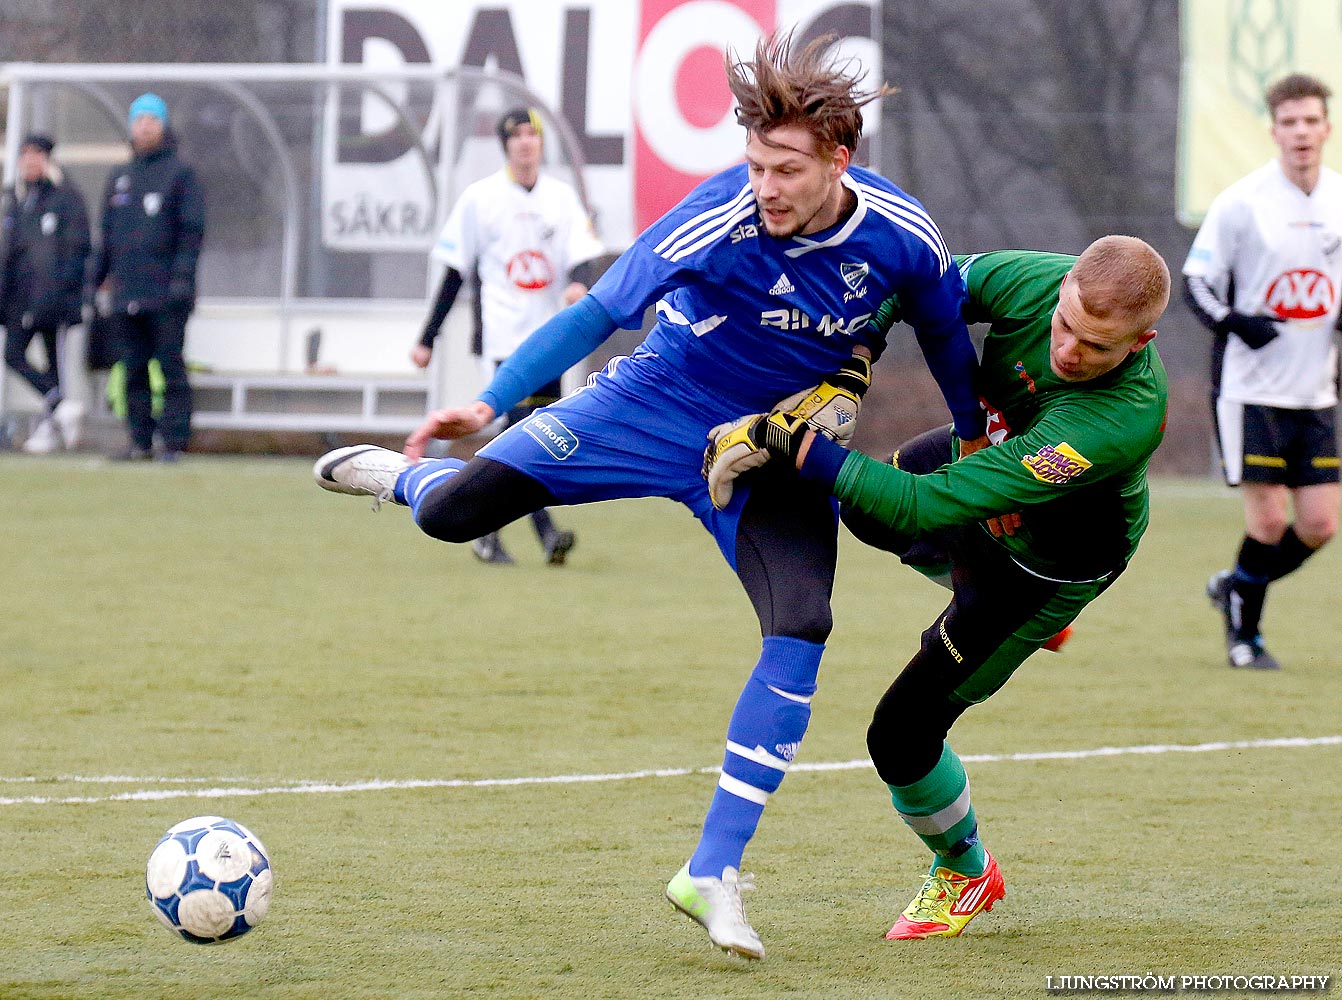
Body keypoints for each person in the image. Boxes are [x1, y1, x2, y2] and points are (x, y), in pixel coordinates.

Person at [313, 32, 985, 960]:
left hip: (766, 448)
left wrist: (980, 443)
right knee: (452, 515)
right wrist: (495, 397)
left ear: (840, 157)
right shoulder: (718, 215)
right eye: (754, 164)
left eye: (786, 168)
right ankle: (406, 477)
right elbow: (598, 315)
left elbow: (948, 339)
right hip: (651, 399)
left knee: (804, 624)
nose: (766, 186)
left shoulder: (902, 236)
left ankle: (711, 872)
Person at [704, 236, 1170, 941]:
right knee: (862, 507)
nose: (1069, 351)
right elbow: (916, 285)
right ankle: (991, 608)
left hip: (1045, 565)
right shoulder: (1035, 281)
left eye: (1097, 348)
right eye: (1066, 324)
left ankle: (965, 869)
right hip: (988, 465)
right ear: (1065, 284)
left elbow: (922, 505)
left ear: (1142, 343)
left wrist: (790, 441)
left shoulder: (1120, 419)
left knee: (900, 736)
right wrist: (854, 366)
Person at [1183, 73, 1342, 671]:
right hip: (1250, 391)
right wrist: (1236, 320)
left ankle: (1234, 585)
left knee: (1322, 525)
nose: (1301, 132)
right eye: (1289, 122)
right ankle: (1245, 636)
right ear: (1274, 130)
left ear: (1326, 128)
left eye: (1311, 121)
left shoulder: (1338, 197)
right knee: (1271, 520)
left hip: (1317, 390)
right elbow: (1195, 283)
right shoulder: (1241, 202)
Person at [414, 106, 604, 565]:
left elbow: (584, 253)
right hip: (502, 339)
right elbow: (455, 274)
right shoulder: (481, 199)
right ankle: (536, 532)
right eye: (515, 135)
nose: (525, 142)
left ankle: (502, 532)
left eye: (531, 134)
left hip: (551, 341)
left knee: (539, 434)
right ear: (504, 146)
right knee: (522, 432)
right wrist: (428, 336)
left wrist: (579, 282)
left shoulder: (560, 198)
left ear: (541, 142)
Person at [92, 92, 206, 462]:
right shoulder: (120, 177)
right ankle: (139, 441)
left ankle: (173, 442)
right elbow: (107, 235)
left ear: (162, 125)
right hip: (128, 291)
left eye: (151, 120)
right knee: (133, 368)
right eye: (138, 120)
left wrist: (182, 279)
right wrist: (97, 281)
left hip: (167, 292)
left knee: (170, 365)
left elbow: (191, 233)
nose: (144, 126)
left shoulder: (181, 175)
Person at [0, 133, 91, 453]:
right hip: (17, 299)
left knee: (56, 363)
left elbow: (77, 250)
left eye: (36, 154)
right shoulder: (15, 198)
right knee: (13, 355)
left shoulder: (66, 197)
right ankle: (60, 405)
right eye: (24, 155)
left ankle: (53, 425)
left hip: (54, 300)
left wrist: (69, 292)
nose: (29, 161)